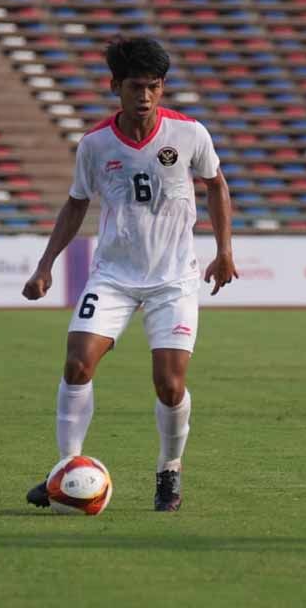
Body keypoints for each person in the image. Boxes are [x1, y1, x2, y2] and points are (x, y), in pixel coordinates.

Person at [21, 37, 238, 512]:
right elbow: (77, 203)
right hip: (113, 276)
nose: (146, 96)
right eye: (136, 86)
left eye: (154, 87)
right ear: (115, 86)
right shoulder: (95, 144)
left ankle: (169, 471)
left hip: (173, 279)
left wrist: (224, 251)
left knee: (170, 384)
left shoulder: (189, 133)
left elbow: (217, 186)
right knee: (77, 363)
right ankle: (66, 470)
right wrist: (45, 265)